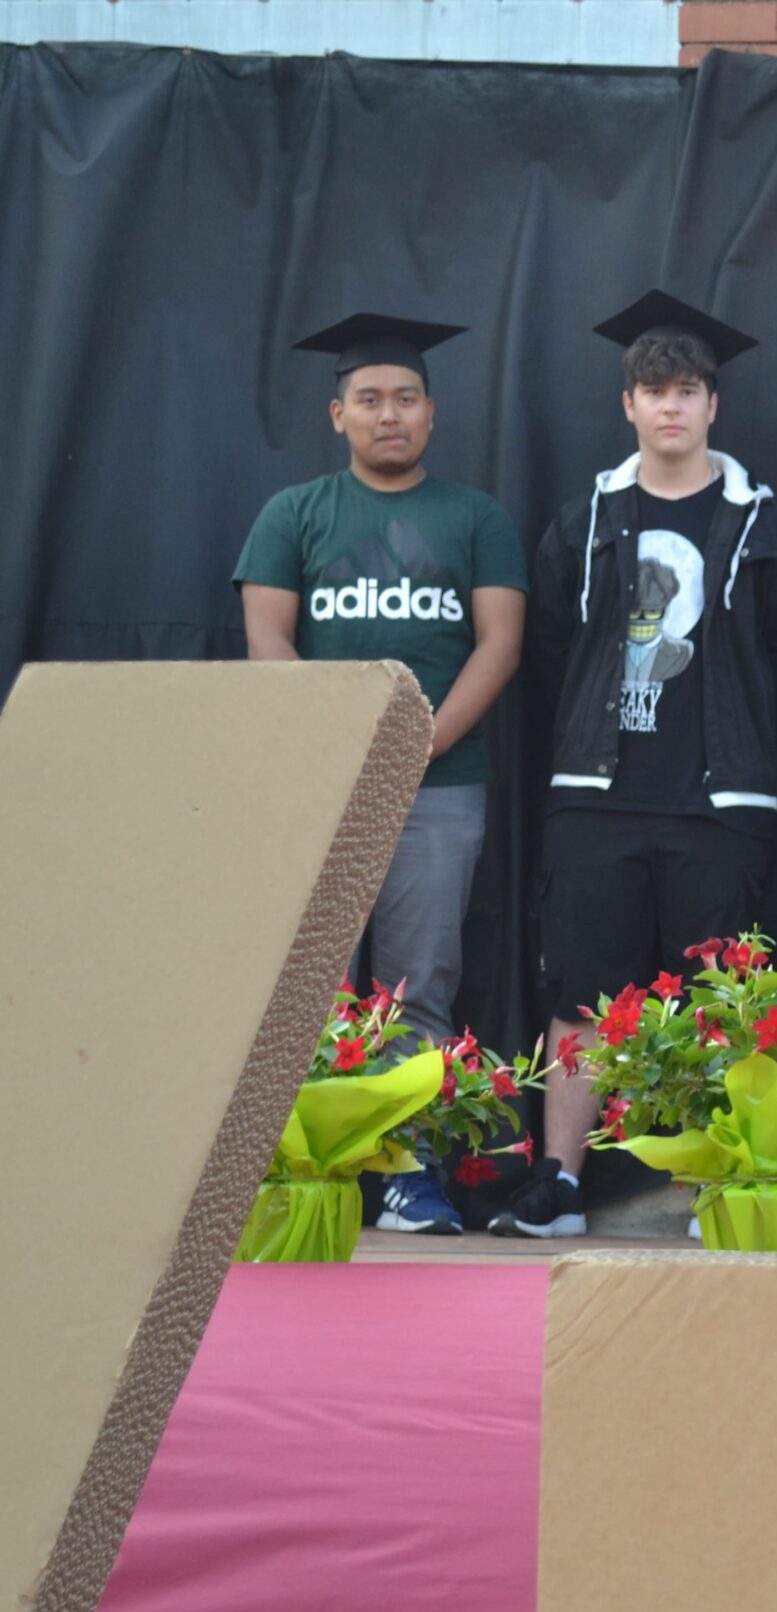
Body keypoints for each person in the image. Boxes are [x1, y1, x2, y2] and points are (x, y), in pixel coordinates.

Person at [498, 291, 777, 1240]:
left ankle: (711, 1181)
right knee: (579, 997)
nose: (670, 406)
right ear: (628, 405)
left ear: (713, 404)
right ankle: (560, 1181)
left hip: (721, 804)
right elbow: (553, 651)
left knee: (721, 1004)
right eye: (653, 391)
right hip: (596, 797)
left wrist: (741, 748)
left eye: (686, 391)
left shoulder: (762, 523)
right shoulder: (586, 519)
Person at [235, 312, 526, 1237]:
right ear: (338, 414)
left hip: (440, 786)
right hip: (319, 786)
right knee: (306, 987)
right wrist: (342, 746)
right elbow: (267, 641)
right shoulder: (294, 514)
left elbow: (499, 645)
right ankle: (296, 1170)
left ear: (432, 413)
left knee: (419, 987)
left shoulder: (476, 518)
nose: (388, 414)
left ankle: (410, 1177)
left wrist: (418, 742)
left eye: (405, 399)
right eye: (369, 399)